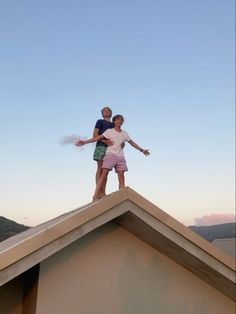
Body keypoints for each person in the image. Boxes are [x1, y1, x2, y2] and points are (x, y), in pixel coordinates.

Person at [76, 114, 150, 202]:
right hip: (110, 155)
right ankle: (95, 197)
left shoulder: (124, 133)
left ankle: (121, 198)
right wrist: (84, 142)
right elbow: (97, 138)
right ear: (114, 121)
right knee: (103, 175)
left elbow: (132, 142)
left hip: (120, 157)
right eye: (118, 119)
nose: (120, 121)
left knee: (121, 176)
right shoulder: (109, 131)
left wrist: (142, 150)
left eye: (121, 120)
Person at [93, 106, 114, 198]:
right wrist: (105, 141)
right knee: (100, 168)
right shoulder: (100, 122)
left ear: (110, 113)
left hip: (111, 149)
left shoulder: (114, 124)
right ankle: (98, 192)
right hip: (101, 146)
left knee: (106, 171)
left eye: (107, 110)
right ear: (102, 113)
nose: (106, 111)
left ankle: (103, 192)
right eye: (104, 111)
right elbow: (95, 135)